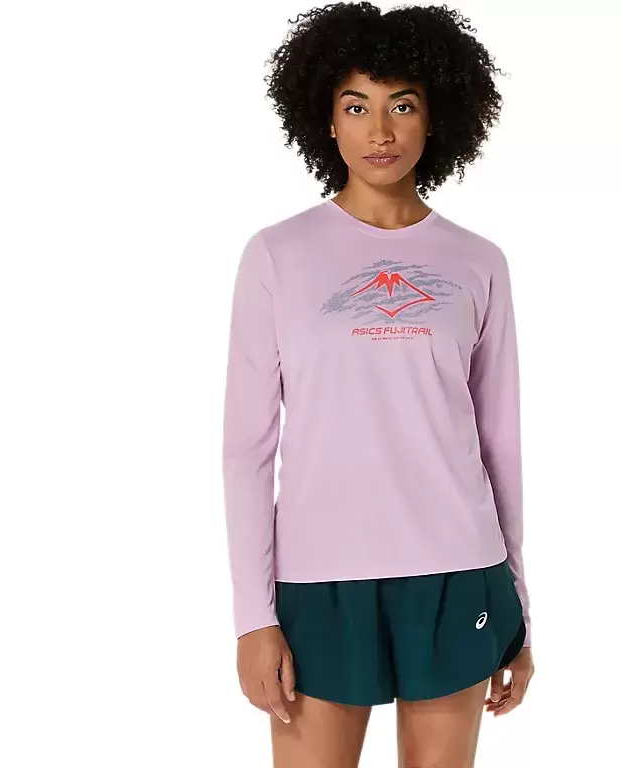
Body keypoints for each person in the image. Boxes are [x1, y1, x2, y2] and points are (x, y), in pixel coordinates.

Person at [221, 3, 534, 766]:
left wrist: (518, 607)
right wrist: (253, 617)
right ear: (326, 120)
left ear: (436, 118)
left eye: (403, 105)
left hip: (457, 571)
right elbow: (246, 450)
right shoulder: (277, 255)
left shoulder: (478, 261)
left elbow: (500, 443)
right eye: (357, 106)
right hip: (320, 577)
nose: (381, 131)